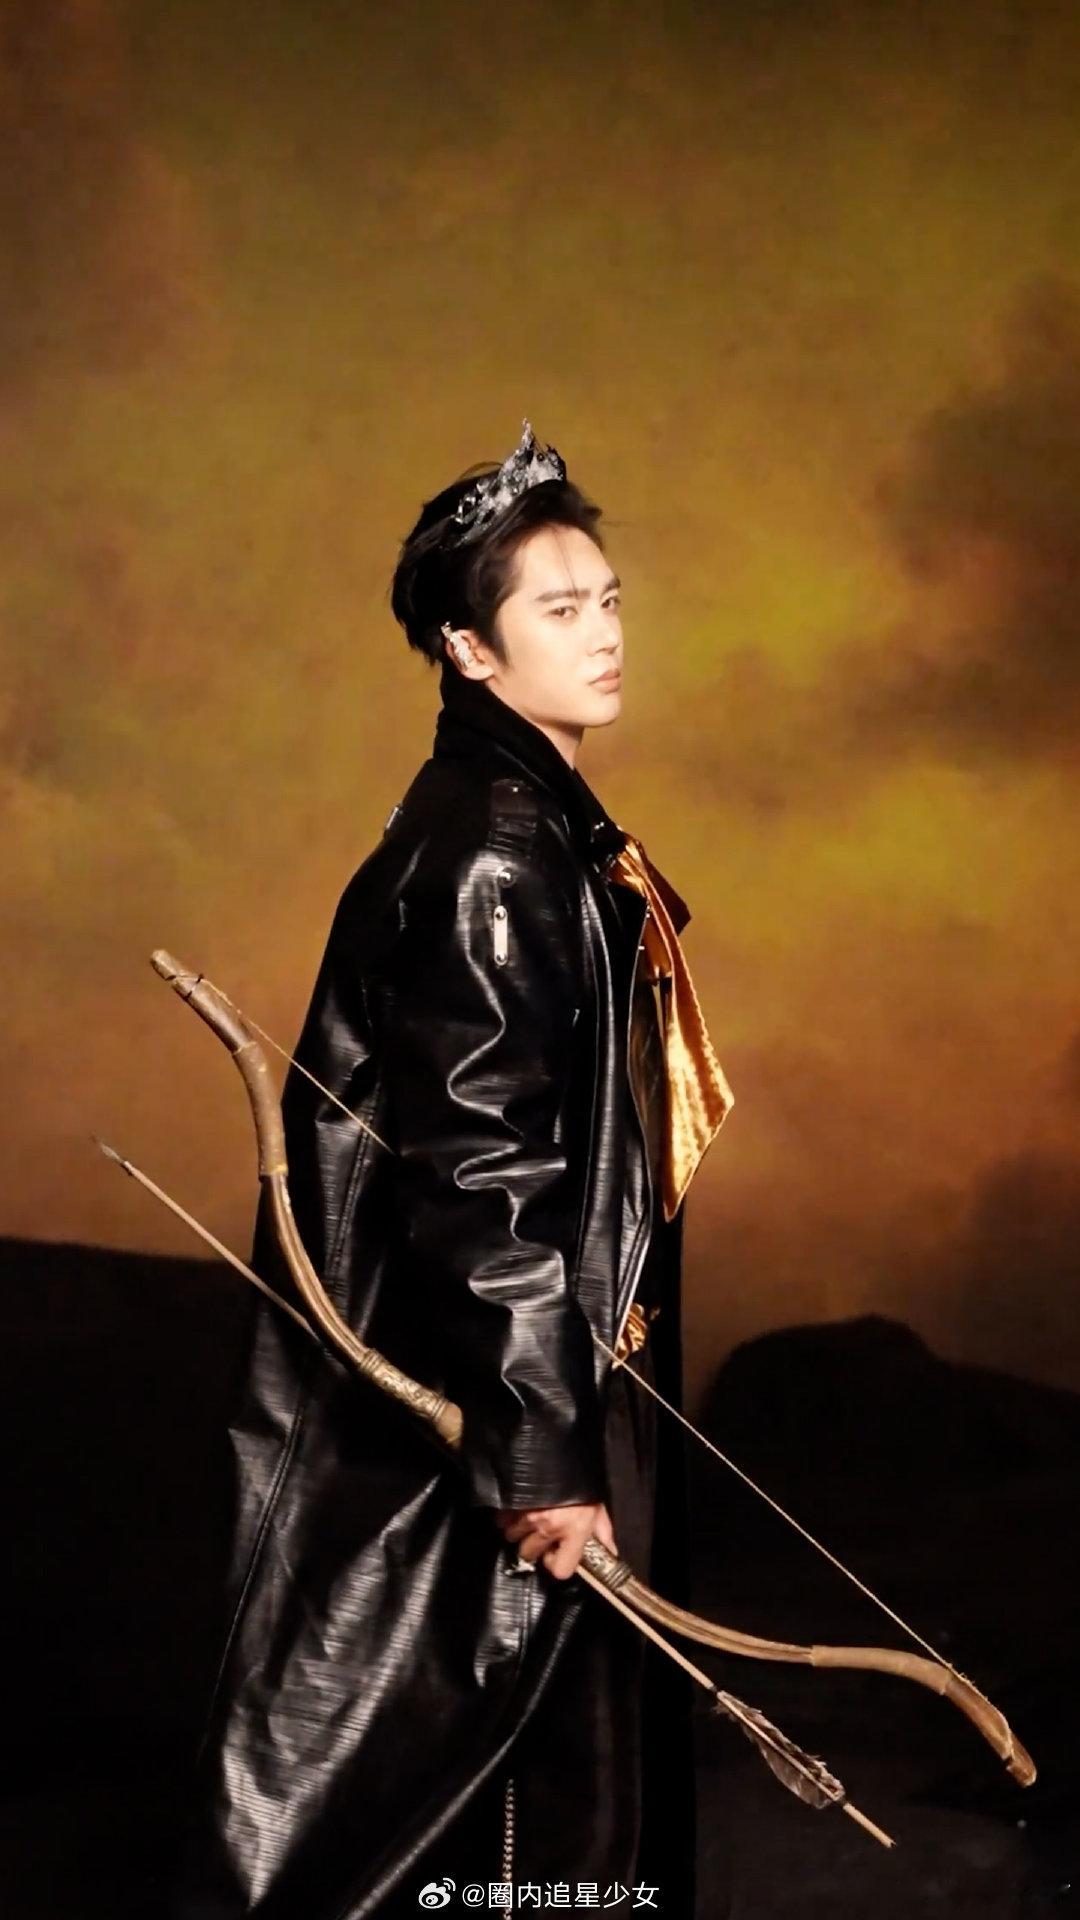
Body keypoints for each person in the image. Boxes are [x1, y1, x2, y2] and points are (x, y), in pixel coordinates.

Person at [171, 421, 731, 1918]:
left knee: (560, 1783)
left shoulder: (536, 821)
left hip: (550, 1363)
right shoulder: (493, 847)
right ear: (470, 652)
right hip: (493, 1389)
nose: (605, 635)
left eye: (608, 599)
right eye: (560, 609)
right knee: (498, 1787)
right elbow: (478, 1172)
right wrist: (542, 1452)